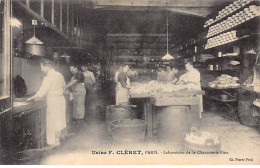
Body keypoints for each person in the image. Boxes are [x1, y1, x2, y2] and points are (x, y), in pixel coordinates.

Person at [27, 59, 66, 147]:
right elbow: (64, 86)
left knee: (52, 121)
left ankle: (52, 143)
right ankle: (57, 141)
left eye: (42, 67)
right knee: (59, 120)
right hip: (60, 100)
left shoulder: (48, 77)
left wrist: (30, 98)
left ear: (47, 67)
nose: (41, 69)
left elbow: (41, 93)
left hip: (53, 101)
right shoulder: (59, 75)